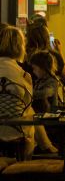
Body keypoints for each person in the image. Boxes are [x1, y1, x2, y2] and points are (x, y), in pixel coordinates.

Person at [0, 25, 57, 158]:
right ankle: (25, 162)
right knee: (29, 112)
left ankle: (47, 146)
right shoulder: (24, 75)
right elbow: (27, 103)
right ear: (20, 46)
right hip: (16, 131)